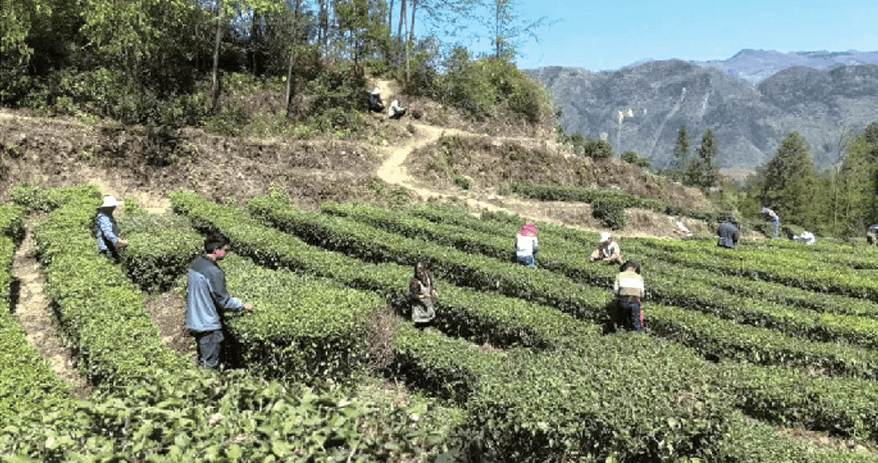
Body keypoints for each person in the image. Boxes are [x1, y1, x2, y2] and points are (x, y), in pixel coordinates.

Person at [186, 234, 254, 369]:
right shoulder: (213, 271)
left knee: (203, 360)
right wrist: (243, 306)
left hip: (195, 321)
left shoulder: (197, 263)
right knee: (210, 367)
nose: (228, 254)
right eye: (226, 250)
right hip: (208, 325)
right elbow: (224, 301)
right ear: (217, 249)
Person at [614, 260, 645, 333]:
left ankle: (618, 329)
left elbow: (615, 290)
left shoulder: (620, 275)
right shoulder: (639, 277)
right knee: (636, 320)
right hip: (635, 299)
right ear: (635, 268)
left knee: (620, 317)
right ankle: (638, 333)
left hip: (623, 299)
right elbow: (642, 292)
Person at [95, 195, 128, 261]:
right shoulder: (104, 218)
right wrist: (121, 242)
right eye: (113, 206)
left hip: (111, 247)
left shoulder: (108, 215)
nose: (115, 207)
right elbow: (108, 234)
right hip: (107, 249)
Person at [409, 262, 438, 326]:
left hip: (428, 307)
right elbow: (412, 295)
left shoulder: (428, 276)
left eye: (422, 271)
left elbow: (432, 285)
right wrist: (423, 296)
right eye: (418, 273)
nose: (421, 274)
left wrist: (433, 290)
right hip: (419, 311)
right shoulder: (414, 282)